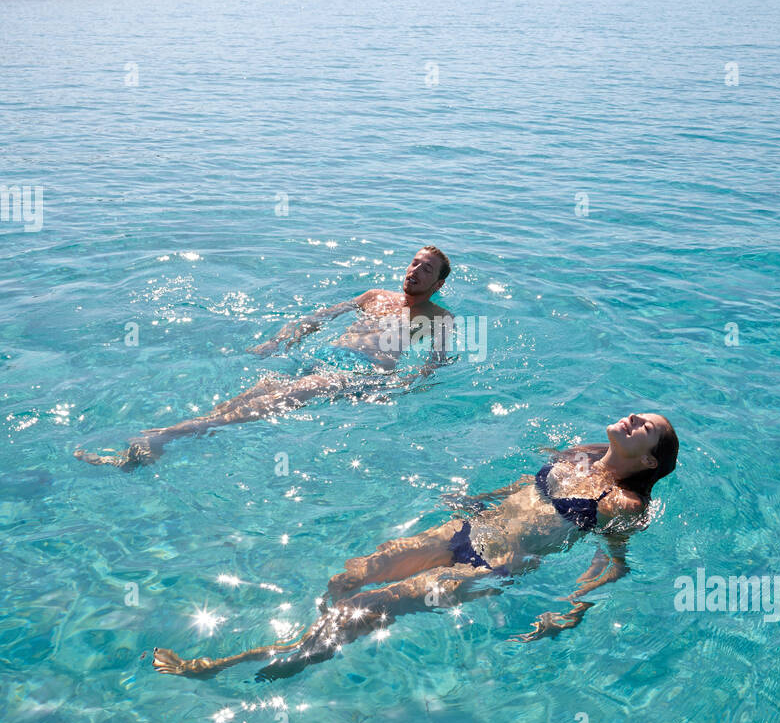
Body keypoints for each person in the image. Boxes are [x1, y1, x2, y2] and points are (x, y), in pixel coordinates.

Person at [152, 411, 679, 679]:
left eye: (645, 427)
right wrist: (476, 501)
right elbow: (522, 490)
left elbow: (612, 564)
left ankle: (247, 664)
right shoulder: (579, 456)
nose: (632, 419)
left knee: (364, 605)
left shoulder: (624, 505)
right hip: (464, 531)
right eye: (636, 414)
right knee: (351, 575)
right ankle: (317, 636)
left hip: (490, 568)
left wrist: (567, 614)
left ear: (650, 460)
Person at [75, 245, 453, 470]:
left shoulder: (438, 317)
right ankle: (145, 451)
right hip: (324, 357)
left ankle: (160, 438)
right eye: (414, 263)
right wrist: (279, 341)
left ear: (438, 285)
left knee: (274, 402)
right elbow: (319, 317)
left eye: (426, 269)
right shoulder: (375, 296)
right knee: (247, 398)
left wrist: (406, 386)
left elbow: (436, 362)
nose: (415, 271)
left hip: (357, 374)